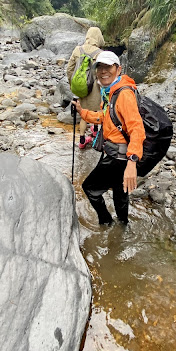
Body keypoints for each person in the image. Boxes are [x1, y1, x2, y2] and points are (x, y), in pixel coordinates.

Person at [72, 51, 145, 226]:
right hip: (120, 154)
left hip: (118, 157)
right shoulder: (111, 92)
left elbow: (137, 129)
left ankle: (106, 223)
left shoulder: (123, 94)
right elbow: (106, 118)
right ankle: (122, 227)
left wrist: (132, 163)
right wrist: (83, 112)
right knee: (121, 193)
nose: (103, 71)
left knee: (89, 188)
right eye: (100, 67)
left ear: (118, 69)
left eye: (108, 67)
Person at [66, 26, 104, 149]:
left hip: (81, 89)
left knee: (83, 114)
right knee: (97, 111)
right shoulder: (100, 54)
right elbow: (101, 74)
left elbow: (69, 69)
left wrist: (73, 85)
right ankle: (96, 134)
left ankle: (82, 140)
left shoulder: (78, 49)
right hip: (95, 89)